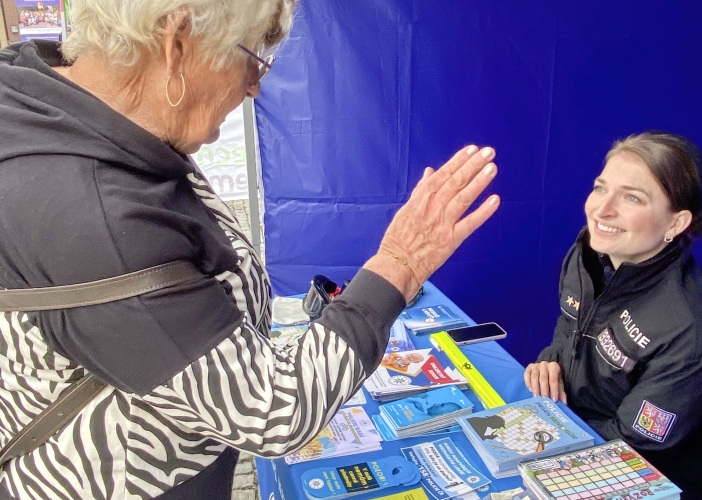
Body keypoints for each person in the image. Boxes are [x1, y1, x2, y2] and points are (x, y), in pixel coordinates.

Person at [0, 0, 501, 498]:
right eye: (252, 58)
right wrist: (401, 263)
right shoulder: (92, 209)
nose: (255, 85)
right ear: (177, 42)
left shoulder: (69, 112)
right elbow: (274, 409)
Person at [524, 132, 702, 497]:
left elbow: (636, 446)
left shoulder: (687, 325)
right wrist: (550, 363)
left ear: (675, 223)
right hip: (569, 427)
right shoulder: (586, 255)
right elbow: (568, 325)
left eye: (632, 198)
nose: (602, 210)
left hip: (641, 475)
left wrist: (549, 437)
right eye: (601, 188)